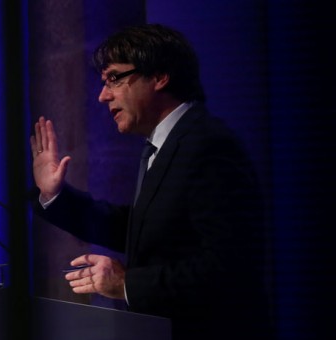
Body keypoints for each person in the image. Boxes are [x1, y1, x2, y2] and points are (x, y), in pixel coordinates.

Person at [30, 24, 271, 339]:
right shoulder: (168, 144)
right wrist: (55, 196)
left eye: (114, 78)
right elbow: (139, 229)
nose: (103, 95)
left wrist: (126, 284)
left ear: (159, 77)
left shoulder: (208, 145)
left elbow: (228, 266)